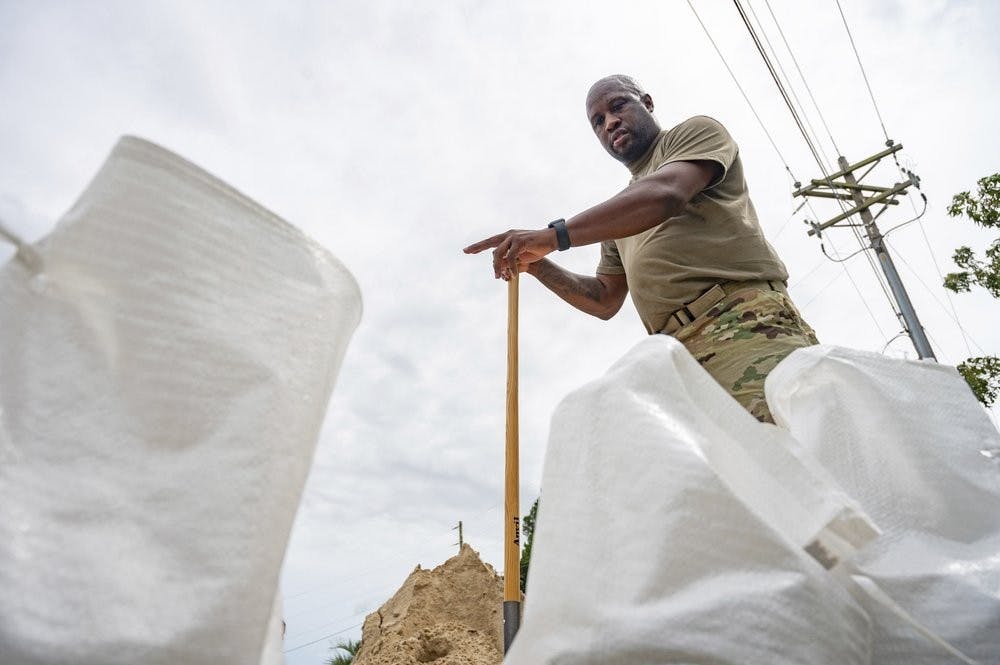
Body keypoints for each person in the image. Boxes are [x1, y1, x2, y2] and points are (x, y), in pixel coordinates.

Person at [464, 75, 818, 423]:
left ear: (647, 103)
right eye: (598, 121)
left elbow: (668, 194)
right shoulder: (618, 216)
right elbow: (604, 299)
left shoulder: (693, 134)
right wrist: (536, 264)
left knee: (780, 455)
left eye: (618, 106)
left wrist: (554, 236)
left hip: (741, 324)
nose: (610, 122)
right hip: (675, 357)